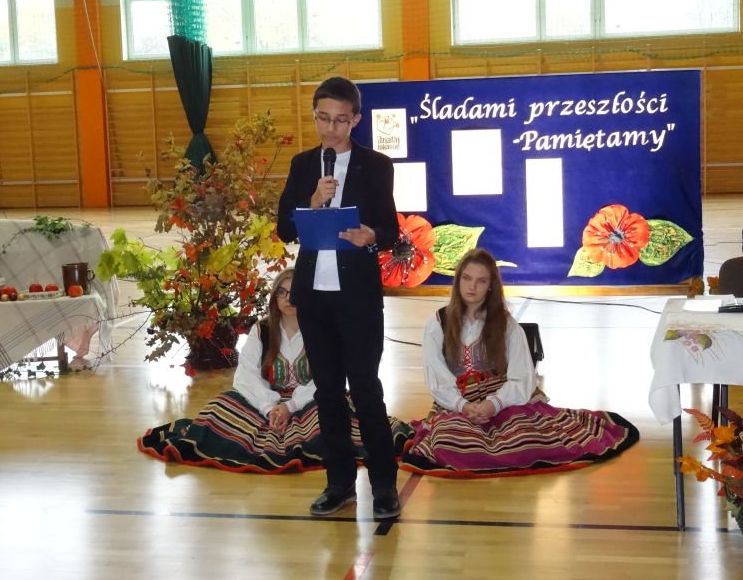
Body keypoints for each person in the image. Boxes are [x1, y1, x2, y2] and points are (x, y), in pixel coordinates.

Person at [137, 268, 412, 473]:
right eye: (282, 292)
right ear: (274, 298)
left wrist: (290, 406)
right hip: (266, 401)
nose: (288, 298)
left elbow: (328, 378)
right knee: (219, 407)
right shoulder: (263, 329)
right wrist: (270, 407)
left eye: (295, 291)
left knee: (330, 418)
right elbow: (246, 375)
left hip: (309, 402)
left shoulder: (322, 329)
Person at [276, 77, 403, 517]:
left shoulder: (376, 165)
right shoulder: (302, 164)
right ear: (314, 116)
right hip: (315, 298)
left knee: (365, 389)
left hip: (358, 298)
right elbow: (284, 229)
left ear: (356, 120)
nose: (331, 129)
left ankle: (384, 485)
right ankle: (339, 483)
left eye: (341, 120)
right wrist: (312, 201)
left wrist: (372, 236)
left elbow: (390, 230)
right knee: (327, 392)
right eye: (323, 119)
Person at [401, 248, 639, 477]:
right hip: (456, 404)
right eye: (467, 278)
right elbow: (437, 378)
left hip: (502, 400)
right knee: (447, 442)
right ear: (458, 281)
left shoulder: (506, 324)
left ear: (491, 286)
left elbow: (522, 377)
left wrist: (494, 404)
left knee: (530, 439)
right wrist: (462, 405)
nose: (472, 287)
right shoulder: (438, 323)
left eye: (481, 281)